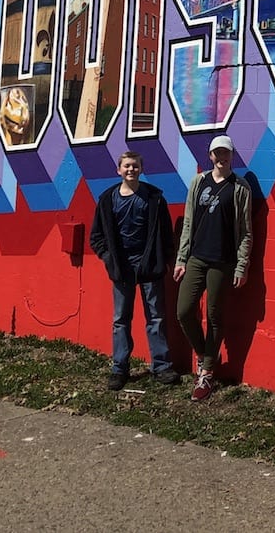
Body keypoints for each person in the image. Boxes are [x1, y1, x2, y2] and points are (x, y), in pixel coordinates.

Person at [89, 150, 178, 389]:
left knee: (156, 317)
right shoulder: (107, 200)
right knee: (121, 320)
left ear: (141, 169)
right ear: (119, 169)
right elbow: (96, 236)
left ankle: (161, 367)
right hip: (122, 268)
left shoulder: (154, 198)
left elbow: (166, 233)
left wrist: (165, 259)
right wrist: (108, 258)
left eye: (135, 166)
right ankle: (119, 369)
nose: (131, 170)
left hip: (149, 266)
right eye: (127, 166)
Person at [174, 134, 252, 402]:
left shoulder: (240, 188)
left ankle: (206, 373)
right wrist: (181, 258)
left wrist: (241, 266)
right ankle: (207, 354)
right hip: (197, 257)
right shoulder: (198, 182)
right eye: (217, 153)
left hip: (222, 261)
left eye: (226, 153)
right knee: (184, 311)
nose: (222, 157)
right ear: (210, 156)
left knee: (214, 315)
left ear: (232, 156)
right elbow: (188, 222)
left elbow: (245, 231)